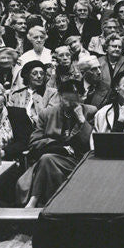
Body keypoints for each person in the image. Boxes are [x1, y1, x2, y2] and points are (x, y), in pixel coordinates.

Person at [23, 79, 97, 207]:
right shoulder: (47, 114)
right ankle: (51, 204)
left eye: (74, 100)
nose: (68, 104)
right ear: (59, 96)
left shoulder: (91, 111)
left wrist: (82, 121)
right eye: (65, 99)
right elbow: (34, 142)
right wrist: (60, 147)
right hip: (56, 157)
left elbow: (92, 142)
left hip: (81, 160)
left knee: (48, 161)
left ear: (82, 97)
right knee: (48, 160)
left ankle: (37, 201)